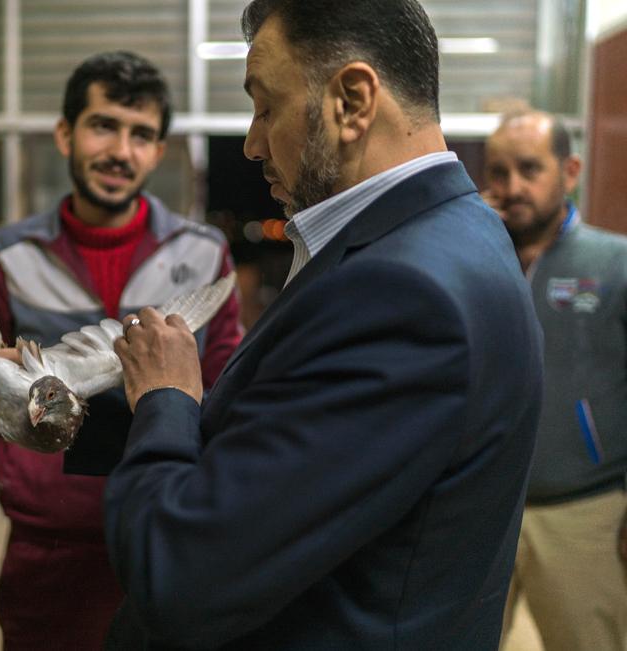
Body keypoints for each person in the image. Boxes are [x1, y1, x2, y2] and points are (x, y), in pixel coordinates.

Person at [100, 1, 544, 648]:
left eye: (266, 106)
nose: (253, 143)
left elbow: (182, 574)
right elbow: (288, 448)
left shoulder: (401, 293)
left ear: (354, 100)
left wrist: (166, 396)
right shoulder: (455, 233)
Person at [0, 51, 241, 651]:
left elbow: (230, 402)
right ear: (65, 133)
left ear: (158, 151)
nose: (121, 151)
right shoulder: (9, 257)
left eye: (142, 134)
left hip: (165, 546)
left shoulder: (203, 256)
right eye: (103, 125)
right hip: (47, 560)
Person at [483, 110, 627, 651]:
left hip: (583, 512)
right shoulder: (473, 261)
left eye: (529, 169)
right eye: (498, 172)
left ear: (570, 171)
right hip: (482, 511)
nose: (512, 187)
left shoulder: (615, 264)